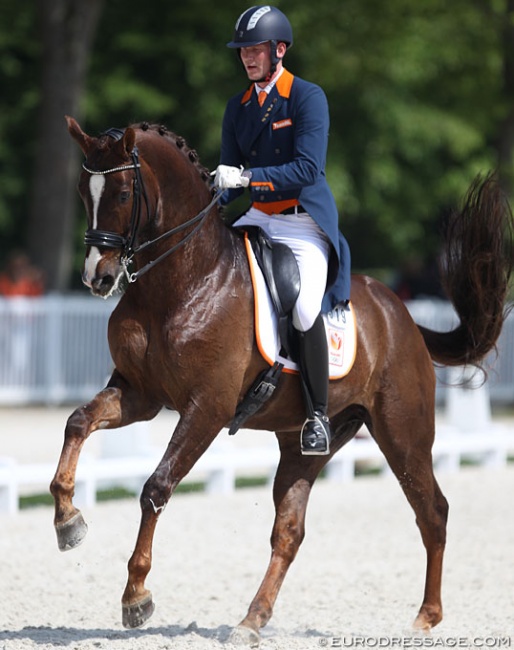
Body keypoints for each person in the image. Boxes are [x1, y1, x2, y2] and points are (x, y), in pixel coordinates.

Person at [212, 5, 351, 456]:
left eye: (255, 49)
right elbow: (230, 176)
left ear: (279, 50)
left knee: (306, 309)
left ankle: (316, 416)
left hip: (301, 221)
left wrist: (248, 179)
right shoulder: (237, 107)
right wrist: (210, 196)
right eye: (243, 51)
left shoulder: (307, 97)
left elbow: (309, 169)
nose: (248, 58)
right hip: (259, 217)